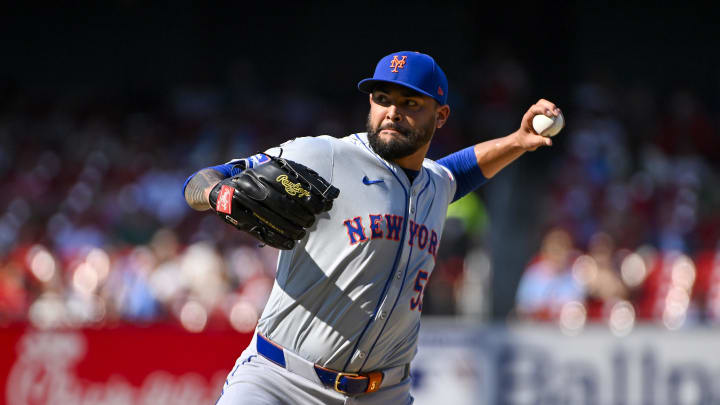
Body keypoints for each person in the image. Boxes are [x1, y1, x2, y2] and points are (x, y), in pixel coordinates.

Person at [183, 51, 561, 405]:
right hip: (280, 382)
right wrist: (220, 195)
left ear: (441, 116)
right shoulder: (326, 155)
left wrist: (517, 141)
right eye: (382, 98)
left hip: (383, 393)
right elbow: (201, 182)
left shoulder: (435, 183)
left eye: (411, 103)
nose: (392, 112)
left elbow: (459, 171)